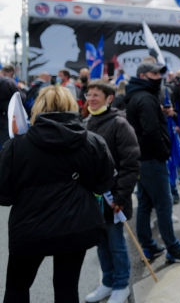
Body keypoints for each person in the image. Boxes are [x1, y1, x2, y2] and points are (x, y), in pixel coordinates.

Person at [0, 85, 114, 302]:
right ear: (72, 105)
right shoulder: (92, 142)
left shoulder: (15, 146)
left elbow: (4, 195)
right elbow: (103, 185)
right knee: (67, 288)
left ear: (37, 107)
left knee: (17, 287)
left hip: (28, 228)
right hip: (76, 225)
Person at [125, 62, 180, 264]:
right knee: (164, 206)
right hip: (151, 159)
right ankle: (173, 249)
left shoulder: (138, 95)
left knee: (146, 204)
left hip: (143, 158)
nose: (159, 77)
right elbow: (150, 131)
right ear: (142, 75)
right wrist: (164, 151)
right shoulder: (145, 97)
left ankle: (148, 246)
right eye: (154, 73)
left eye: (160, 73)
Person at [84, 81, 140, 303]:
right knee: (101, 244)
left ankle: (121, 285)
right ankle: (107, 282)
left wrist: (120, 197)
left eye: (96, 95)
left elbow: (131, 163)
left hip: (114, 198)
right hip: (93, 199)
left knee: (116, 244)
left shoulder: (120, 124)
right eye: (89, 95)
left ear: (109, 98)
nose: (91, 98)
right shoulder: (86, 122)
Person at [0, 66, 25, 148]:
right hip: (7, 118)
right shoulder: (9, 82)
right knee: (7, 145)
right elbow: (21, 98)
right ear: (11, 73)